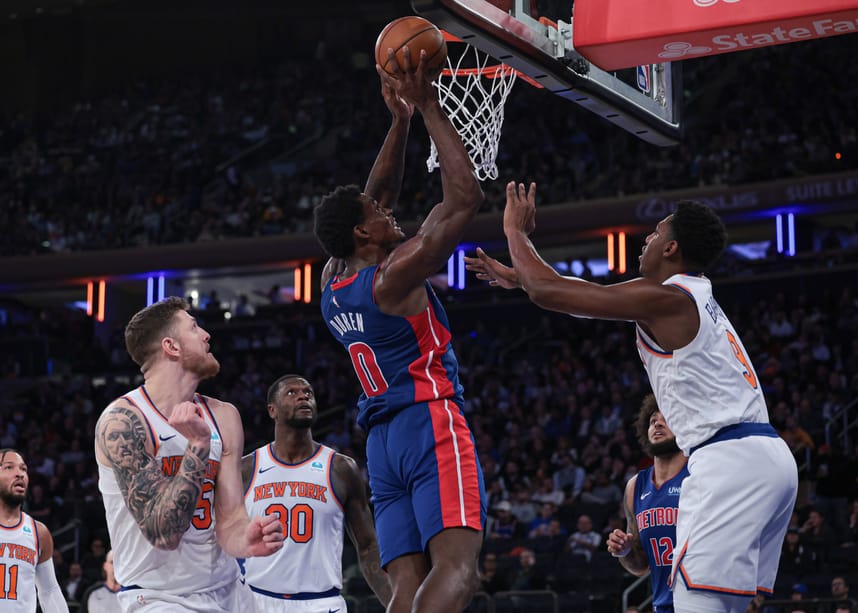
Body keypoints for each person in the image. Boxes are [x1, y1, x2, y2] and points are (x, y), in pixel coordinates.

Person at [467, 190, 798, 612]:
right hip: (767, 458)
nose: (648, 239)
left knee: (695, 602)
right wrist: (523, 278)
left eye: (656, 233)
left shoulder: (668, 298)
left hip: (730, 460)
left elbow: (550, 292)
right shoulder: (692, 297)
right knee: (731, 605)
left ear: (672, 248)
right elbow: (575, 292)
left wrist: (515, 231)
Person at [313, 46, 486, 613]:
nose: (389, 212)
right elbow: (465, 198)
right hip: (427, 420)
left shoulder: (333, 280)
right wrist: (428, 104)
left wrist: (400, 122)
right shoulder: (394, 276)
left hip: (381, 444)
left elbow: (376, 196)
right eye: (378, 216)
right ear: (364, 235)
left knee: (408, 586)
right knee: (458, 568)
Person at [95, 297, 284, 612]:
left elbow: (231, 519)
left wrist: (246, 540)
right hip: (159, 598)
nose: (207, 335)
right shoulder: (123, 422)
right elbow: (163, 533)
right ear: (171, 346)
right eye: (194, 328)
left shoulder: (224, 415)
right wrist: (197, 444)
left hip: (229, 590)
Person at [241, 374, 391, 611]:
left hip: (322, 602)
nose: (303, 396)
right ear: (272, 410)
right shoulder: (246, 468)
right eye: (292, 392)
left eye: (308, 393)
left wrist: (393, 602)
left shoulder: (341, 469)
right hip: (257, 600)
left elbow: (367, 546)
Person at [606, 394, 689, 613]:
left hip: (704, 601)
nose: (657, 424)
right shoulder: (635, 487)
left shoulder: (699, 474)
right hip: (662, 605)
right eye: (653, 420)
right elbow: (640, 566)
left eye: (666, 418)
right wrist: (624, 551)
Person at [0, 449, 69, 612]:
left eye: (23, 469)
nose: (19, 474)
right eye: (9, 467)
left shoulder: (39, 533)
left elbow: (49, 591)